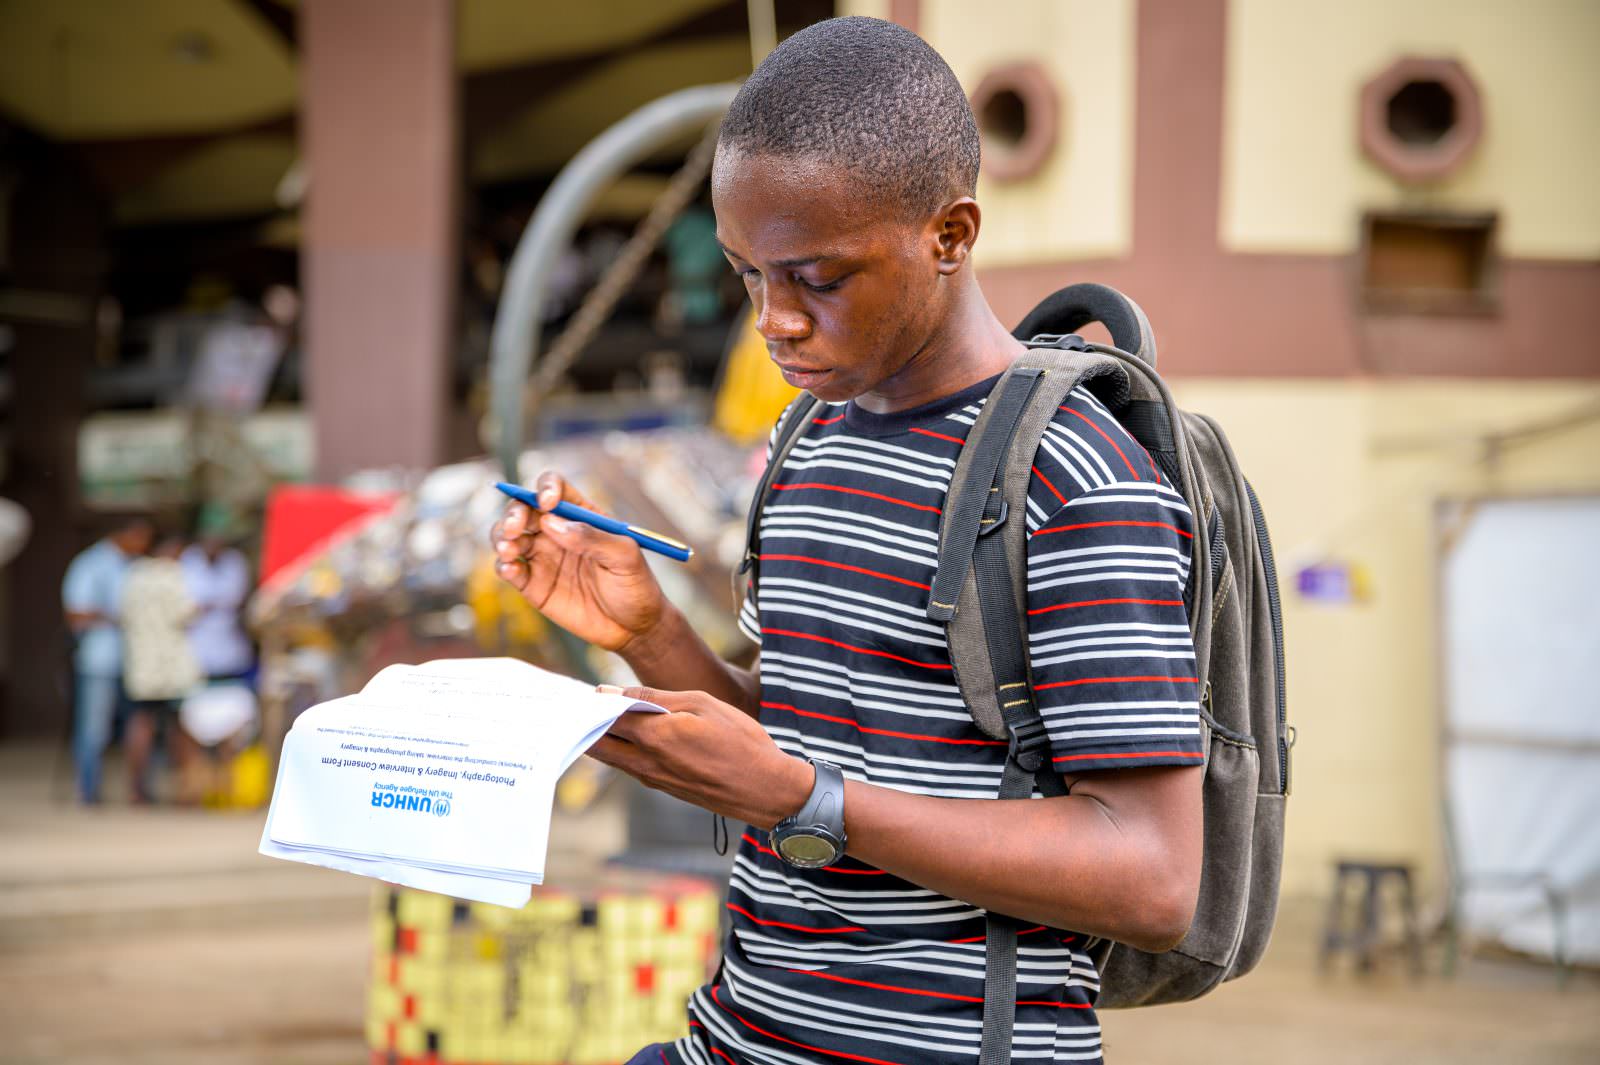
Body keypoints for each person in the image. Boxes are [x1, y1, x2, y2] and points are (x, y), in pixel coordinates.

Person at [493, 18, 1204, 1065]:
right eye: (746, 275)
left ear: (950, 235)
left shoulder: (1072, 476)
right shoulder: (806, 438)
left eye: (817, 278)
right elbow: (803, 745)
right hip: (737, 1040)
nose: (773, 321)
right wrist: (647, 637)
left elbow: (1150, 878)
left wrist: (806, 800)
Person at [62, 516, 153, 803]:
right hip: (99, 659)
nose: (144, 545)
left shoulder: (139, 566)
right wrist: (116, 616)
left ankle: (138, 791)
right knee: (94, 729)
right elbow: (75, 614)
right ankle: (88, 791)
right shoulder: (91, 564)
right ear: (123, 535)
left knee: (139, 725)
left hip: (138, 660)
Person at [121, 533, 202, 803]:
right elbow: (187, 613)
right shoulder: (173, 575)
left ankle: (136, 790)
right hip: (171, 667)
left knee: (141, 723)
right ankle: (184, 792)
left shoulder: (135, 575)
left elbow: (122, 614)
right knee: (179, 727)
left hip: (141, 665)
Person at [180, 505, 255, 685]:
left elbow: (237, 598)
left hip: (229, 638)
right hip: (195, 641)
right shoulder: (188, 560)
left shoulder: (235, 561)